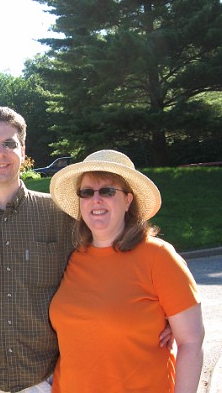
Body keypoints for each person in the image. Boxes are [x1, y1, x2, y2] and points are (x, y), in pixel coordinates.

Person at [0, 108, 173, 393]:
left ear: (23, 151)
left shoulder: (60, 216)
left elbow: (112, 257)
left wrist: (162, 309)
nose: (0, 152)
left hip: (47, 382)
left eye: (10, 143)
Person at [49, 149, 205, 393]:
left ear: (128, 200)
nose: (96, 200)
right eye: (87, 192)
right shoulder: (72, 257)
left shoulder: (158, 256)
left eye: (108, 191)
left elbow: (192, 342)